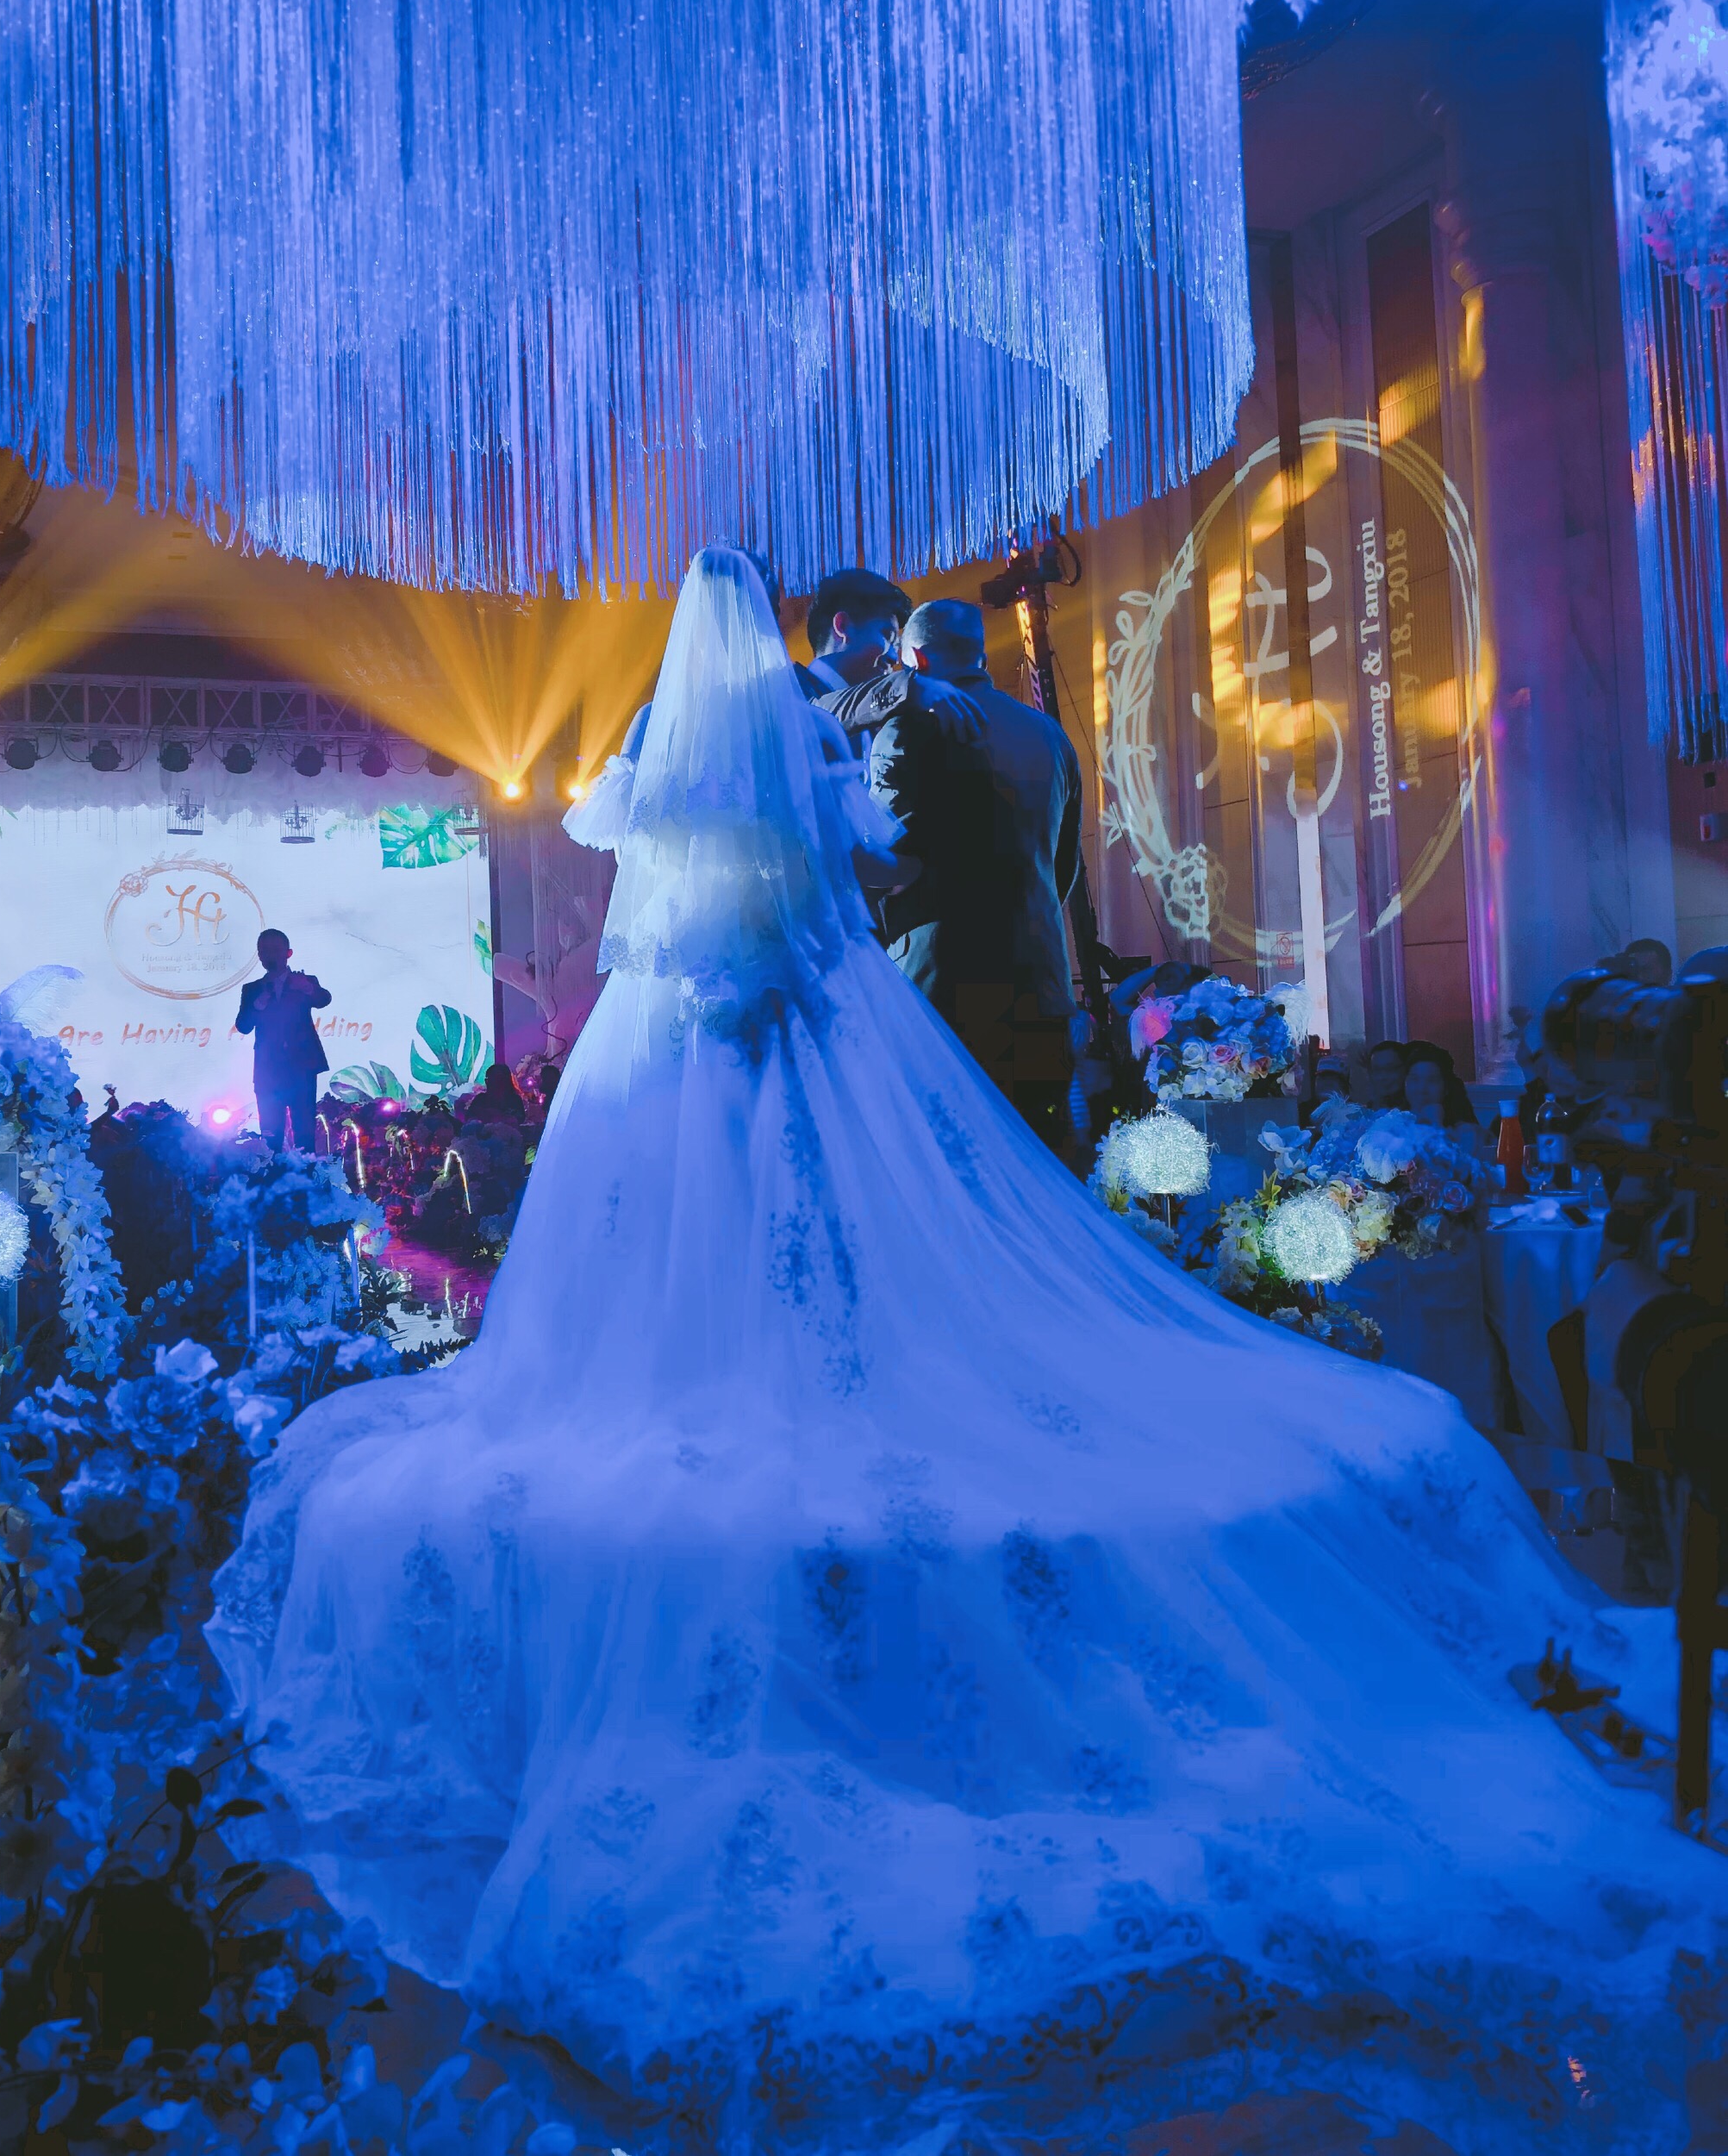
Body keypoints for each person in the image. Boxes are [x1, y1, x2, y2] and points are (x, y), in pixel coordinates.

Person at [211, 552, 1723, 2154]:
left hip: (693, 1036)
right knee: (878, 1244)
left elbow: (629, 864)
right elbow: (871, 869)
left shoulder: (675, 743)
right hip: (847, 1013)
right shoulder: (831, 731)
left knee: (696, 1274)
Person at [870, 596, 1082, 1136]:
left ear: (916, 659)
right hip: (1040, 986)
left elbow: (884, 859)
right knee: (1042, 1158)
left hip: (941, 990)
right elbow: (1062, 868)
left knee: (943, 1160)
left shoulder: (907, 729)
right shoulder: (1051, 736)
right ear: (980, 654)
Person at [234, 929, 331, 1152]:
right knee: (270, 1136)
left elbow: (324, 999)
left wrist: (306, 987)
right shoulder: (252, 989)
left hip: (302, 1067)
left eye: (275, 950)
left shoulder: (304, 981)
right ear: (259, 955)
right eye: (264, 950)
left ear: (288, 953)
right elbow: (243, 1026)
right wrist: (258, 1005)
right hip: (268, 1071)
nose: (270, 955)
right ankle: (273, 1173)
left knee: (304, 1134)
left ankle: (306, 1173)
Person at [1402, 1037, 1480, 1136]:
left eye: (1432, 1081)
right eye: (1414, 1079)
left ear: (1446, 1088)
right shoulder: (1393, 1123)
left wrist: (1436, 1124)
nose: (1422, 1089)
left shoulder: (1465, 1131)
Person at [1365, 1037, 1409, 1107]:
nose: (1383, 1077)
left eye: (1390, 1069)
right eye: (1377, 1070)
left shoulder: (1419, 1111)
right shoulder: (1365, 1112)